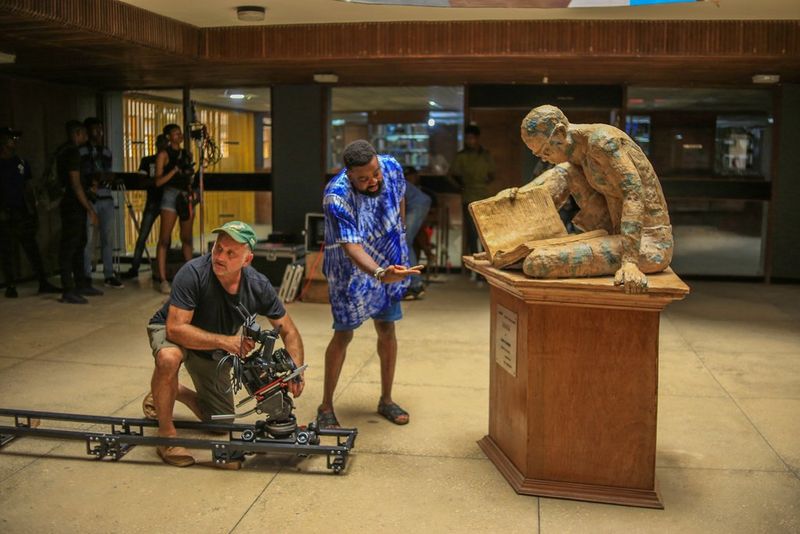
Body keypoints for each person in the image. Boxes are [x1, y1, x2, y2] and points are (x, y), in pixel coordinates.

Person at [143, 221, 305, 467]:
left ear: (247, 259)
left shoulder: (257, 285)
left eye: (231, 253)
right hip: (173, 331)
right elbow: (175, 329)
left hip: (211, 346)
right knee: (169, 358)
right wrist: (227, 342)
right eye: (218, 248)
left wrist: (295, 370)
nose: (220, 256)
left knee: (220, 423)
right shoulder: (193, 272)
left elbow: (289, 331)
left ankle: (171, 391)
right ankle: (166, 436)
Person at [318, 140, 420, 429]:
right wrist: (377, 273)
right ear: (349, 174)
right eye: (364, 178)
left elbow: (399, 199)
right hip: (350, 272)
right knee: (343, 334)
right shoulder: (336, 197)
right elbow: (351, 247)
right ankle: (325, 405)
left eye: (375, 173)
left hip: (389, 260)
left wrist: (398, 240)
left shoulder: (391, 167)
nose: (374, 180)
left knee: (387, 328)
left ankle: (386, 399)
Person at [519, 105, 673, 294]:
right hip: (613, 229)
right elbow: (560, 176)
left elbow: (633, 194)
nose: (543, 158)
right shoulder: (579, 152)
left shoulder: (603, 142)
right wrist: (518, 195)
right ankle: (508, 242)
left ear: (560, 132)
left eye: (545, 151)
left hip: (648, 242)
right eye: (538, 155)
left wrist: (630, 263)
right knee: (565, 171)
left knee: (539, 262)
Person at [0, 127, 61, 297]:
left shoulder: (21, 162)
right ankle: (11, 285)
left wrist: (33, 211)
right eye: (12, 138)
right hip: (5, 213)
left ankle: (43, 281)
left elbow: (28, 188)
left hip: (22, 212)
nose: (15, 141)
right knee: (7, 251)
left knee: (32, 248)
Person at [58, 121, 101, 304]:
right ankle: (69, 288)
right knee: (70, 246)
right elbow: (75, 184)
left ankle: (80, 283)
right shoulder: (72, 152)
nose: (86, 137)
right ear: (77, 134)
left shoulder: (63, 151)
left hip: (72, 203)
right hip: (72, 205)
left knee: (79, 244)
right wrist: (89, 207)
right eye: (83, 133)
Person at [81, 117, 122, 289]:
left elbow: (106, 173)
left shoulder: (105, 151)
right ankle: (85, 275)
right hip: (90, 198)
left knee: (108, 239)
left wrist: (104, 177)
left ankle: (108, 273)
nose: (99, 133)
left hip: (106, 197)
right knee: (88, 240)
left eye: (101, 129)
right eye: (95, 129)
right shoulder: (82, 151)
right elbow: (86, 174)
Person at [154, 123, 196, 295]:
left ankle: (192, 278)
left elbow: (189, 176)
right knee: (165, 239)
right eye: (175, 134)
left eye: (180, 133)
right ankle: (163, 279)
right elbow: (158, 181)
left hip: (185, 195)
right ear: (168, 137)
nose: (179, 136)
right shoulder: (163, 155)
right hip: (170, 195)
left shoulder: (186, 154)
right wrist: (175, 170)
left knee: (186, 238)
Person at [122, 134, 168, 279]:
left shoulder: (170, 161)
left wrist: (154, 180)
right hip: (154, 200)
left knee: (164, 237)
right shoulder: (148, 160)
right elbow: (141, 182)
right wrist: (157, 181)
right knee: (143, 235)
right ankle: (135, 267)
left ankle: (162, 269)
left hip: (164, 200)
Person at [451, 124, 495, 263]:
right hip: (468, 196)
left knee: (485, 231)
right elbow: (451, 174)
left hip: (483, 196)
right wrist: (460, 187)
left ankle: (487, 261)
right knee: (471, 232)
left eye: (472, 138)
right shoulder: (461, 156)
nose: (470, 141)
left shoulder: (485, 155)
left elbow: (492, 174)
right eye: (467, 138)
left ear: (477, 138)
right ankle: (475, 263)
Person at [402, 166, 431, 299]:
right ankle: (410, 284)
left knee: (404, 241)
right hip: (417, 203)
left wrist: (401, 224)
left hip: (417, 204)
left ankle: (415, 285)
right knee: (405, 241)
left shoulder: (389, 181)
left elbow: (401, 201)